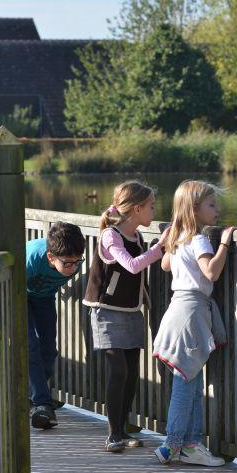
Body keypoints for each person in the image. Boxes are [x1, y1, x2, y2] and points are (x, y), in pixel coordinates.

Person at [152, 180, 236, 466]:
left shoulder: (178, 238)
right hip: (191, 313)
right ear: (196, 209)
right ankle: (171, 444)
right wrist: (223, 243)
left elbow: (164, 265)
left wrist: (168, 243)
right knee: (186, 382)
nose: (217, 209)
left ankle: (191, 444)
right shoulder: (199, 239)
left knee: (191, 377)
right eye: (212, 205)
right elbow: (210, 273)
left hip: (178, 309)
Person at [83, 181, 167, 452]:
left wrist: (154, 249)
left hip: (132, 312)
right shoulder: (111, 236)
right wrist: (159, 250)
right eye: (151, 207)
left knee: (131, 374)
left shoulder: (138, 237)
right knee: (117, 371)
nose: (154, 211)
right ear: (138, 208)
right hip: (106, 311)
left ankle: (122, 428)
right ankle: (112, 435)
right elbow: (132, 266)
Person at [26, 221, 86, 429]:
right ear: (50, 257)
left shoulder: (72, 261)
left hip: (44, 298)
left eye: (78, 262)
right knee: (30, 346)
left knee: (49, 351)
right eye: (68, 263)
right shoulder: (33, 259)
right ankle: (42, 404)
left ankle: (34, 397)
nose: (73, 268)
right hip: (19, 295)